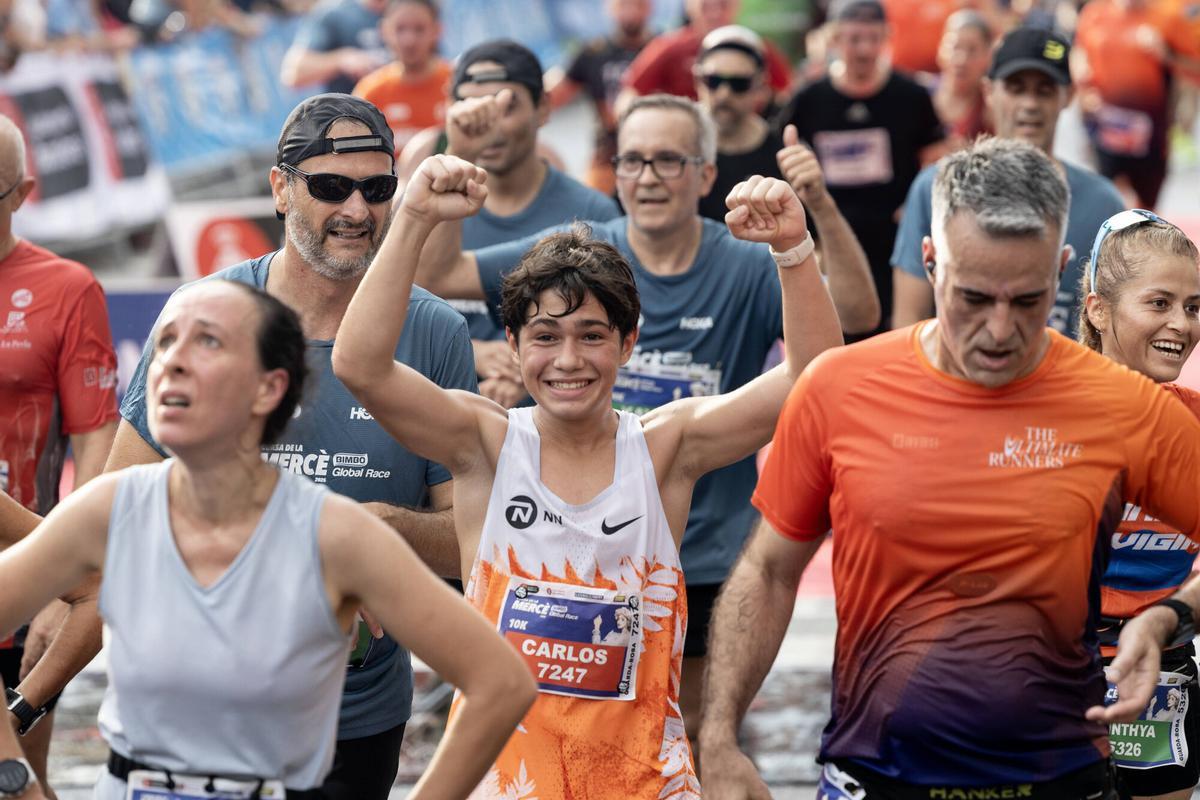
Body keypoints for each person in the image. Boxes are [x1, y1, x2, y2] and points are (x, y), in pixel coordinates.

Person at [699, 137, 1200, 800]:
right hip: (878, 778)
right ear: (929, 263)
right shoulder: (840, 390)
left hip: (1055, 780)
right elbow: (767, 570)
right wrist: (717, 737)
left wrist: (1169, 617)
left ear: (1062, 269)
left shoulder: (1123, 406)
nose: (999, 330)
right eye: (972, 298)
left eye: (1026, 301)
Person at [332, 152, 842, 797]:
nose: (567, 360)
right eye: (545, 336)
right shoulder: (485, 445)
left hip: (646, 785)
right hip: (504, 785)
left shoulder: (666, 449)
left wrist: (793, 249)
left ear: (628, 344)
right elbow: (361, 365)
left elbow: (815, 381)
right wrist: (412, 216)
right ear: (512, 345)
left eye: (591, 335)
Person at [409, 93, 878, 752]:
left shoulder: (741, 271)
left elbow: (830, 355)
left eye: (667, 159)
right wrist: (426, 195)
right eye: (632, 160)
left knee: (690, 742)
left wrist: (797, 242)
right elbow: (431, 287)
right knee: (555, 735)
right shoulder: (577, 264)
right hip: (574, 556)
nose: (648, 176)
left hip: (705, 554)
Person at [0, 278, 535, 800]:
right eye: (165, 342)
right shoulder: (112, 507)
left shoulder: (333, 534)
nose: (173, 362)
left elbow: (501, 684)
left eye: (207, 341)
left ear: (270, 387)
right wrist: (14, 774)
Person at [96, 94, 478, 800]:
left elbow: (472, 545)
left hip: (356, 720)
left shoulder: (433, 334)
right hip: (205, 715)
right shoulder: (203, 314)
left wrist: (376, 531)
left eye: (377, 188)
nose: (357, 211)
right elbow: (116, 519)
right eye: (331, 187)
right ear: (279, 188)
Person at [401, 39, 621, 409]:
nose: (486, 124)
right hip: (433, 425)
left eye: (505, 105)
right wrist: (471, 352)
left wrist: (537, 371)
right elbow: (384, 318)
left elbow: (614, 340)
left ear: (544, 108)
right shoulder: (422, 206)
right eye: (471, 106)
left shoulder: (591, 215)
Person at [0, 114, 118, 800]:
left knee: (23, 784)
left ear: (23, 192)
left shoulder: (67, 288)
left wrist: (61, 579)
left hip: (25, 570)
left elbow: (96, 440)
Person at [891, 26, 1126, 336]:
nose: (1029, 103)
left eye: (1044, 89)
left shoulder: (1103, 204)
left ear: (1067, 96)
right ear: (989, 92)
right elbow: (909, 321)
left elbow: (1115, 330)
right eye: (1016, 88)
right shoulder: (937, 186)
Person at [1078, 208, 1200, 800]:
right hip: (1052, 673)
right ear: (1098, 309)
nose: (1181, 322)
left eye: (1194, 307)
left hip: (1165, 666)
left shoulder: (1197, 420)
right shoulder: (1043, 417)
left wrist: (1168, 618)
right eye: (1159, 303)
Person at [775, 0, 947, 335]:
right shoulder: (809, 99)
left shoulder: (911, 95)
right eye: (854, 39)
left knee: (899, 333)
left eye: (873, 38)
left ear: (886, 37)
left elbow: (934, 158)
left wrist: (916, 207)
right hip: (830, 242)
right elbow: (785, 159)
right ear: (835, 40)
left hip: (897, 242)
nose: (865, 50)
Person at [1073, 0, 1197, 210]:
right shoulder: (1095, 13)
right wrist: (1082, 88)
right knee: (1103, 202)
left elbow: (1194, 67)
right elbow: (1078, 54)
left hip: (1151, 134)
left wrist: (1167, 54)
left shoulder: (1166, 15)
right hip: (1106, 130)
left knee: (1146, 212)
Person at [545, 0, 654, 195]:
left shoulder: (662, 48)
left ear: (649, 7)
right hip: (608, 155)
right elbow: (553, 96)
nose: (630, 12)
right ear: (610, 8)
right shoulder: (593, 52)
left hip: (657, 149)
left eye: (637, 4)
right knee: (589, 209)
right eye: (623, 5)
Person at [693, 25, 784, 223]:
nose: (724, 94)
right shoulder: (673, 143)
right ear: (697, 80)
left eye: (738, 84)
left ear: (760, 85)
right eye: (713, 81)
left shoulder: (780, 154)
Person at [619, 0, 792, 104]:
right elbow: (629, 95)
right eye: (706, 6)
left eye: (722, 4)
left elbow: (786, 94)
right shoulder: (669, 46)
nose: (715, 13)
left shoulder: (756, 46)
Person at [352, 0, 449, 156]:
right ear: (384, 31)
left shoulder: (455, 83)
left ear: (437, 30)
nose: (409, 40)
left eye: (419, 29)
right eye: (400, 29)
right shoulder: (370, 92)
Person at [280, 0, 388, 95]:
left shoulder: (401, 9)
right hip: (352, 112)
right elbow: (293, 73)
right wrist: (342, 59)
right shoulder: (335, 13)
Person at [926, 9, 993, 145]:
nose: (961, 60)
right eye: (955, 47)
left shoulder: (991, 107)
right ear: (940, 49)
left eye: (972, 50)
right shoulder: (920, 95)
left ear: (987, 56)